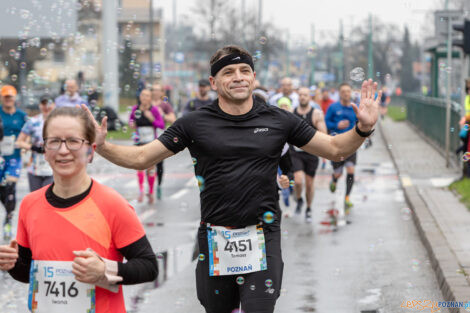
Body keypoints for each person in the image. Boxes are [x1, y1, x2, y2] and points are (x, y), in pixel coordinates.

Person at [85, 45, 380, 313]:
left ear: (253, 77)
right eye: (228, 72)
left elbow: (335, 149)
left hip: (263, 235)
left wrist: (362, 130)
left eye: (244, 71)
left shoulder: (278, 120)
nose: (238, 77)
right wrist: (104, 146)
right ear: (214, 83)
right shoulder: (193, 123)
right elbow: (141, 158)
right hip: (215, 238)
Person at [0, 107, 158, 312]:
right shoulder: (30, 204)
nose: (63, 150)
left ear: (90, 150)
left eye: (73, 141)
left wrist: (104, 270)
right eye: (54, 141)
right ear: (45, 150)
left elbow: (149, 266)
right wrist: (12, 263)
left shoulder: (112, 204)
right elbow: (29, 273)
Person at [325, 82, 362, 214]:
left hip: (351, 145)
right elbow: (326, 122)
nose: (346, 93)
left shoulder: (355, 108)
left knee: (351, 171)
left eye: (348, 91)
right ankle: (334, 179)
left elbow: (360, 123)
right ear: (340, 93)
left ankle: (347, 197)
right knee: (339, 173)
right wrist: (337, 125)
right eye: (343, 91)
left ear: (351, 93)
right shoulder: (333, 107)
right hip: (337, 145)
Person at [292, 87, 328, 222]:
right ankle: (299, 199)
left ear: (310, 97)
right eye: (300, 95)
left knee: (309, 183)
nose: (302, 97)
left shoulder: (316, 114)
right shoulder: (292, 112)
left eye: (305, 95)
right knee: (298, 180)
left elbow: (324, 134)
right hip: (295, 152)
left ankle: (308, 208)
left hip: (311, 153)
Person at [0, 85, 27, 240]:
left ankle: (8, 220)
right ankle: (8, 212)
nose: (8, 99)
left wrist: (24, 146)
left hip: (14, 158)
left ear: (14, 98)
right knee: (2, 191)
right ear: (2, 98)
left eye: (10, 96)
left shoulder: (22, 115)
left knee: (10, 187)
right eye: (5, 96)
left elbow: (29, 133)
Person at [129, 89, 165, 204]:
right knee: (139, 166)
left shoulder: (154, 110)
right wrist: (132, 124)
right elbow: (130, 121)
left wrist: (152, 119)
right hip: (139, 142)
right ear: (140, 97)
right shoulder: (135, 109)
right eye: (143, 95)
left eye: (147, 96)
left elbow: (161, 124)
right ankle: (140, 191)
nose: (144, 98)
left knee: (150, 168)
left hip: (151, 142)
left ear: (150, 98)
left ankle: (150, 191)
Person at [15, 95, 55, 192]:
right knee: (36, 199)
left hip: (54, 168)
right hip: (34, 168)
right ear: (39, 105)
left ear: (54, 105)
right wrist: (33, 147)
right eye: (43, 104)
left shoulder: (60, 121)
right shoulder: (33, 121)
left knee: (49, 198)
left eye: (48, 103)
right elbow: (19, 142)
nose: (46, 106)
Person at [151, 83, 176, 199]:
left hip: (160, 137)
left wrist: (163, 115)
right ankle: (149, 187)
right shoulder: (147, 103)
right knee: (147, 163)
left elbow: (173, 119)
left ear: (162, 93)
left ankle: (159, 185)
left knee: (159, 163)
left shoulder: (165, 105)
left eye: (157, 90)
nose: (155, 92)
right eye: (153, 90)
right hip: (147, 137)